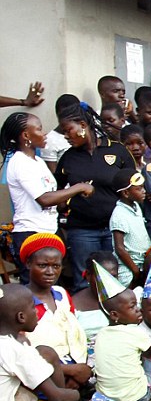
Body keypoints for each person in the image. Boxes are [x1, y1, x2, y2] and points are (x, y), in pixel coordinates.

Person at [0, 112, 93, 283]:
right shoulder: (20, 162)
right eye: (39, 129)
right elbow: (44, 199)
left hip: (49, 230)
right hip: (32, 233)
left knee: (52, 285)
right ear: (26, 135)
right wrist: (78, 187)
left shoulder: (38, 162)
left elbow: (54, 197)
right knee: (35, 288)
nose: (44, 134)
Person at [0, 283, 94, 401]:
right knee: (44, 359)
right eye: (33, 307)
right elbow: (57, 396)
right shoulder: (15, 350)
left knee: (44, 353)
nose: (36, 311)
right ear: (21, 317)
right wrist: (76, 393)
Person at [54, 101, 136, 290]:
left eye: (68, 131)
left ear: (83, 126)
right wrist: (64, 205)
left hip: (115, 230)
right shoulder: (69, 157)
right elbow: (56, 189)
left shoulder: (117, 150)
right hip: (82, 231)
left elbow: (133, 184)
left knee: (116, 281)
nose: (66, 136)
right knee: (84, 281)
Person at [91, 263, 151, 401]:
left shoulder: (101, 334)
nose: (138, 310)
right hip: (138, 396)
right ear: (115, 315)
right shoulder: (135, 332)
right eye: (132, 307)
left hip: (107, 398)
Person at [21, 234, 92, 390]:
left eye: (56, 266)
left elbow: (75, 337)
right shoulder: (20, 301)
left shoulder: (61, 294)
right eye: (42, 265)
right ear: (28, 264)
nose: (50, 272)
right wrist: (72, 371)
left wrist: (79, 370)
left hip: (73, 365)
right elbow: (20, 354)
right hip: (41, 373)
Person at [110, 170, 151, 287]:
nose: (144, 191)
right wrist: (135, 271)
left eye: (143, 187)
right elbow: (120, 248)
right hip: (128, 268)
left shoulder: (136, 206)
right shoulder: (119, 214)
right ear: (126, 193)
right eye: (139, 189)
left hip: (141, 263)